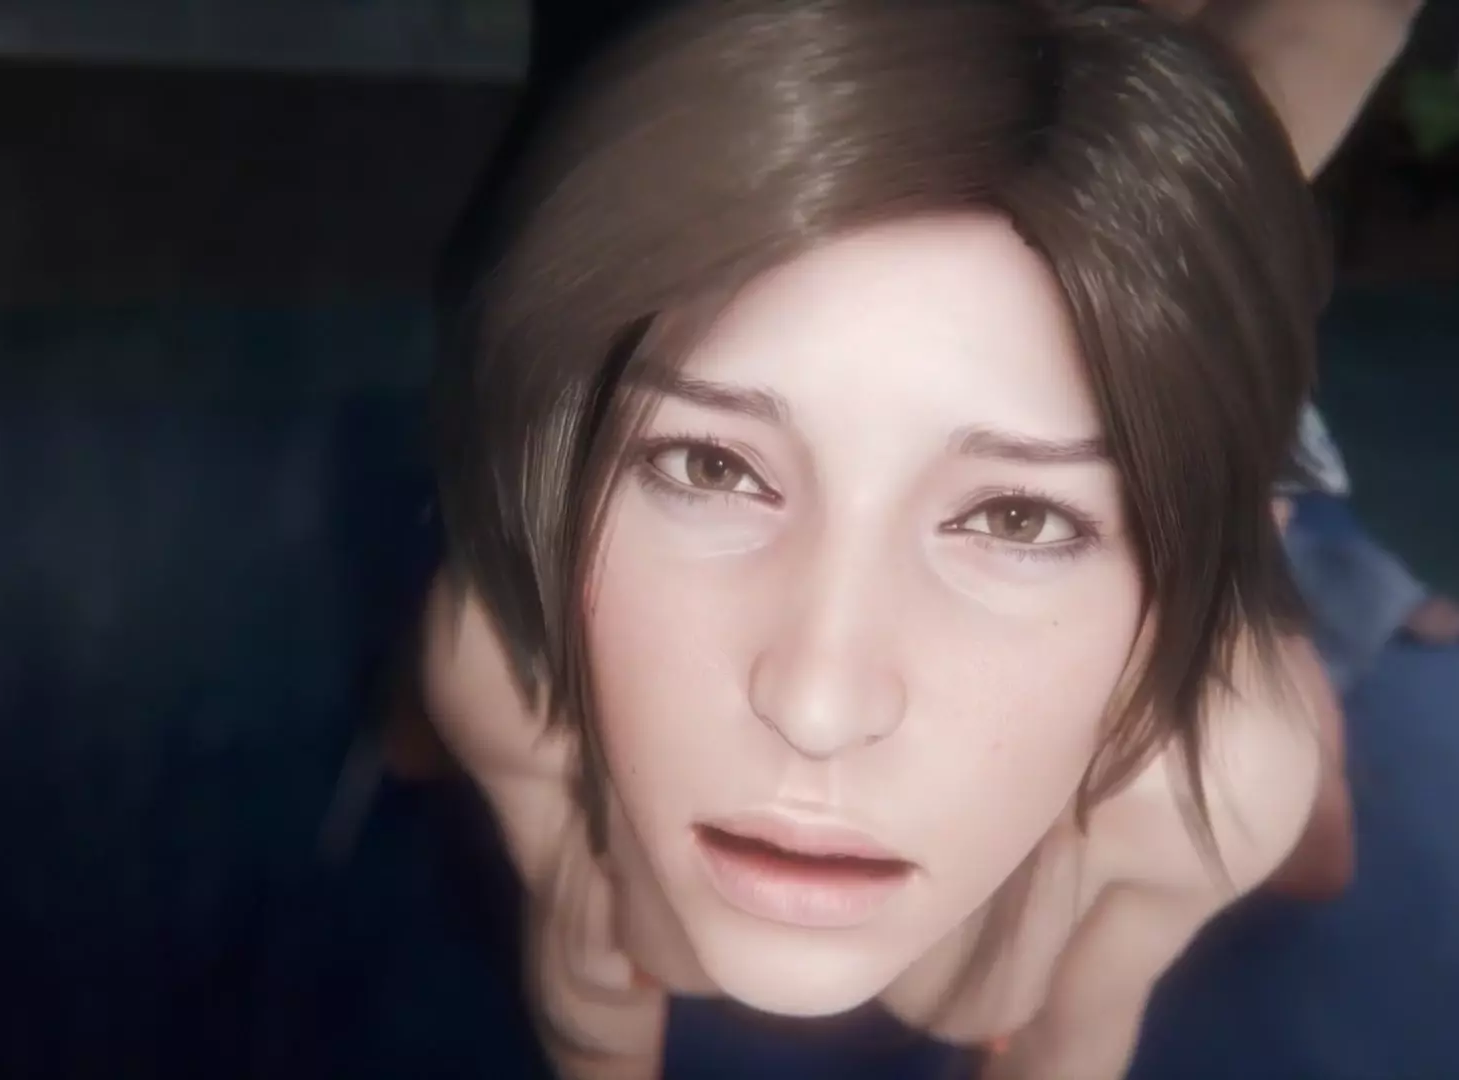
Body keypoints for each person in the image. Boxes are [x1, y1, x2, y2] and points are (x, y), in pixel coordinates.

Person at [420, 2, 1337, 1076]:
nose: (818, 708)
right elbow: (589, 1008)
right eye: (709, 467)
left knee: (1312, 829)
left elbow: (1071, 1046)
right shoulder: (498, 677)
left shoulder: (1214, 788)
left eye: (1018, 517)